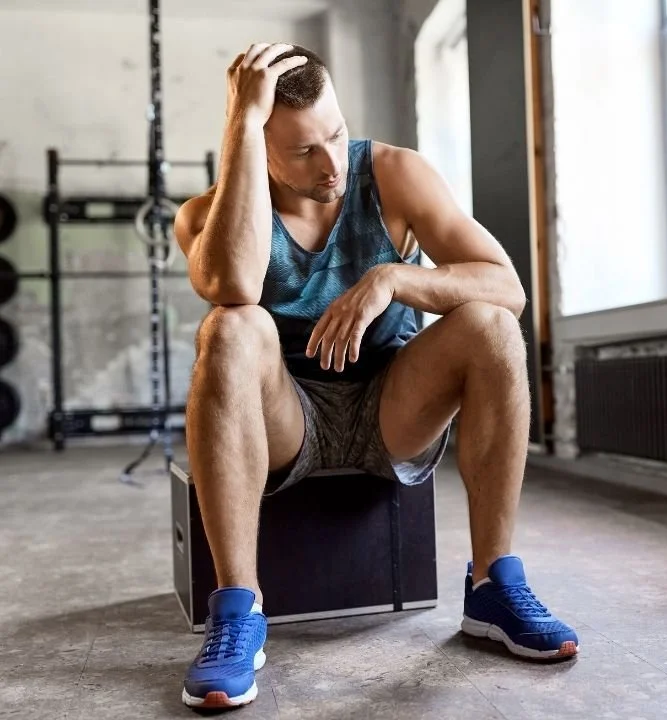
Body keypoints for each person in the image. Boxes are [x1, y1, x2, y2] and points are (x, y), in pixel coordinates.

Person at [174, 42, 579, 710]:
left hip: (394, 406)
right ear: (256, 143)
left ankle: (492, 586)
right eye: (302, 150)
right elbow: (232, 283)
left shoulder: (393, 173)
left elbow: (506, 286)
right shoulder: (204, 215)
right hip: (287, 420)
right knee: (229, 326)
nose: (331, 163)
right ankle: (238, 613)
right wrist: (241, 125)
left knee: (491, 325)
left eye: (335, 134)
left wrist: (393, 277)